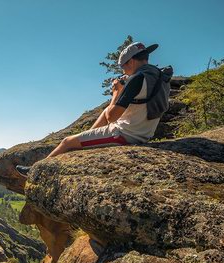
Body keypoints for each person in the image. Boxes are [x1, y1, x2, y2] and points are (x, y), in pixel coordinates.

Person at [16, 42, 173, 177]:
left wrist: (117, 92)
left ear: (130, 62)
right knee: (104, 112)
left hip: (127, 135)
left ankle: (36, 170)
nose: (122, 72)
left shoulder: (136, 79)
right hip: (145, 131)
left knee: (66, 142)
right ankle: (85, 139)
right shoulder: (159, 76)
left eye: (123, 67)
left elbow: (112, 117)